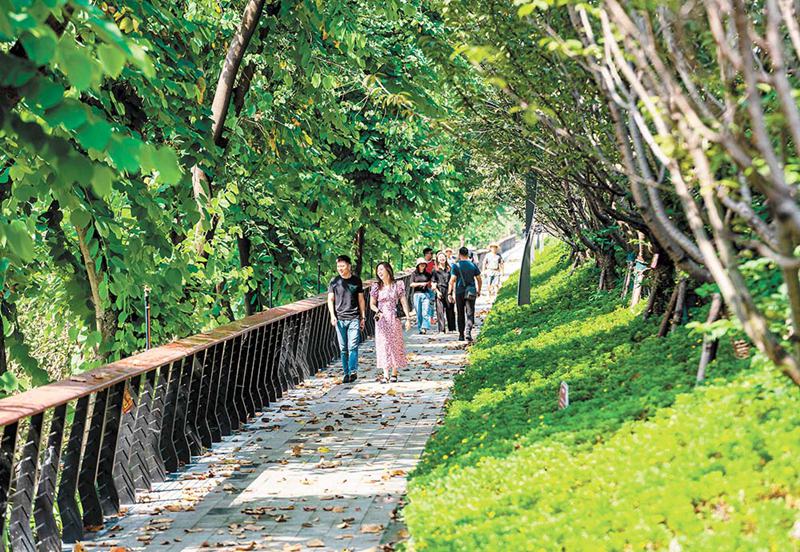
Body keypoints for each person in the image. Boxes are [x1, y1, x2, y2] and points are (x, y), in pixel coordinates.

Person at [370, 262, 412, 383]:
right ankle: (385, 374)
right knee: (383, 344)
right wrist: (378, 311)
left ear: (388, 270)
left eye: (381, 269)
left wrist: (408, 318)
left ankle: (394, 372)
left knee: (395, 343)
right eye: (378, 270)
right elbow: (372, 304)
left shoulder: (397, 285)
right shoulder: (376, 287)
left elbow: (403, 301)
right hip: (382, 319)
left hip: (394, 318)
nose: (379, 272)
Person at [327, 255, 366, 383]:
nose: (340, 268)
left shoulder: (356, 281)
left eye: (342, 266)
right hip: (340, 319)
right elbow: (330, 299)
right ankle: (346, 373)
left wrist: (363, 317)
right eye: (338, 266)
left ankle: (353, 371)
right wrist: (332, 315)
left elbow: (361, 300)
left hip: (354, 317)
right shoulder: (334, 281)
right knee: (343, 348)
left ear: (349, 266)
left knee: (353, 346)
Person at [448, 247, 482, 343]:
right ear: (468, 254)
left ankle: (461, 335)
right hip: (471, 292)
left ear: (459, 254)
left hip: (459, 292)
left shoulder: (456, 266)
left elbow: (452, 280)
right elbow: (479, 279)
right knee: (470, 313)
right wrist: (478, 290)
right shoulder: (473, 265)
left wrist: (449, 293)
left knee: (460, 313)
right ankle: (468, 332)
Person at [432, 251, 456, 333]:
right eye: (440, 257)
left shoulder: (450, 269)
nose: (442, 258)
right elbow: (433, 282)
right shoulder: (435, 270)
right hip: (440, 290)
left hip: (449, 290)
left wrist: (453, 293)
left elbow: (453, 281)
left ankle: (452, 328)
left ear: (446, 258)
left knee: (450, 309)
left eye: (443, 257)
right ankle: (441, 329)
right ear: (437, 259)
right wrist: (437, 292)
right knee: (440, 311)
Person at [410, 258, 433, 334]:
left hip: (426, 294)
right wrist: (420, 284)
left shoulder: (427, 274)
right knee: (419, 313)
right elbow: (411, 284)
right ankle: (420, 328)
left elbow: (432, 281)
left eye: (424, 264)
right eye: (421, 264)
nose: (422, 265)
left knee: (425, 311)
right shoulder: (414, 274)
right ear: (418, 265)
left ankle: (424, 327)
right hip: (417, 294)